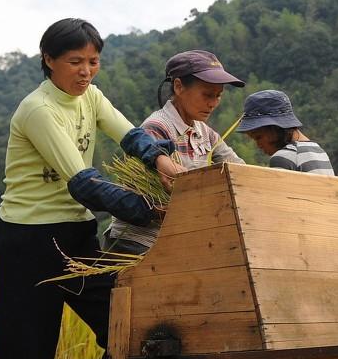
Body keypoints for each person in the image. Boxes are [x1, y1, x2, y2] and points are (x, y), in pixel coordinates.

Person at [0, 18, 184, 359]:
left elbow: (131, 134)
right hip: (29, 246)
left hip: (77, 241)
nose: (85, 71)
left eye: (93, 61)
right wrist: (150, 211)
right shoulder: (39, 110)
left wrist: (161, 160)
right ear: (49, 60)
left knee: (126, 330)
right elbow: (84, 182)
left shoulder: (90, 97)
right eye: (75, 61)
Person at [105, 50, 246, 255]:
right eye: (207, 95)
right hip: (139, 243)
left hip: (176, 239)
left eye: (218, 96)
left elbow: (238, 169)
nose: (213, 103)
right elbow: (152, 201)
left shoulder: (204, 132)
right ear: (179, 87)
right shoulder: (156, 128)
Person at [237, 89, 335, 175]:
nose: (258, 145)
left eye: (258, 137)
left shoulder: (283, 157)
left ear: (274, 128)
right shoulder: (320, 152)